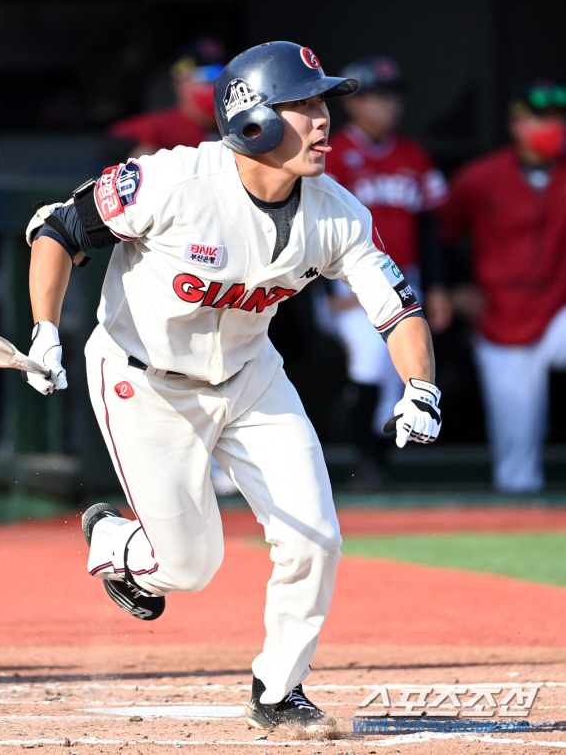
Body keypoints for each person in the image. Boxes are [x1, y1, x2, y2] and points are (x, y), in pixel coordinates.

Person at [24, 41, 442, 732]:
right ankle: (111, 540)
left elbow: (398, 308)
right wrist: (44, 328)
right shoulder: (170, 182)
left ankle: (279, 690)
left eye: (321, 104)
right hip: (144, 379)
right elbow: (60, 228)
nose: (322, 120)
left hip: (250, 376)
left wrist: (420, 387)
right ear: (252, 119)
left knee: (316, 539)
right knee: (190, 568)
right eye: (302, 105)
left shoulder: (339, 212)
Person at [323, 56, 451, 486]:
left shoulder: (414, 157)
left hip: (402, 277)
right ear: (353, 103)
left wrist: (436, 288)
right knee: (371, 353)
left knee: (400, 365)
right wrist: (325, 292)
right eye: (377, 95)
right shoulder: (331, 155)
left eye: (394, 95)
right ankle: (367, 455)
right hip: (339, 282)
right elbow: (306, 225)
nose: (388, 105)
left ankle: (377, 457)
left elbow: (432, 229)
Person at [441, 81, 566, 493]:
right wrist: (453, 286)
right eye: (539, 118)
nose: (550, 126)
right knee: (516, 445)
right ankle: (519, 513)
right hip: (500, 316)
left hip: (557, 310)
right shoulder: (480, 177)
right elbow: (438, 233)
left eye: (557, 118)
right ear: (516, 124)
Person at [106, 37, 226, 160]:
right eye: (208, 76)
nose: (216, 84)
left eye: (222, 75)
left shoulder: (238, 124)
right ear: (180, 83)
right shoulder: (159, 128)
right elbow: (118, 140)